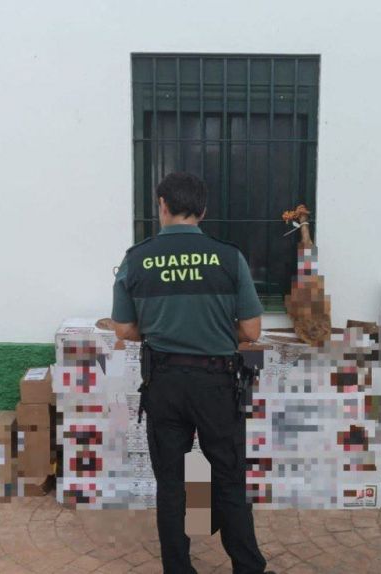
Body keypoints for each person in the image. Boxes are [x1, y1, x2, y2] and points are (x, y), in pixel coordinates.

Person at [111, 172, 273, 574]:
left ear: (162, 205)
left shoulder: (136, 258)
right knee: (229, 478)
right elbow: (252, 330)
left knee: (172, 485)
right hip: (217, 384)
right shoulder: (229, 257)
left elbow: (124, 329)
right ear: (203, 210)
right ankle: (248, 567)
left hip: (163, 383)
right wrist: (212, 331)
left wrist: (163, 328)